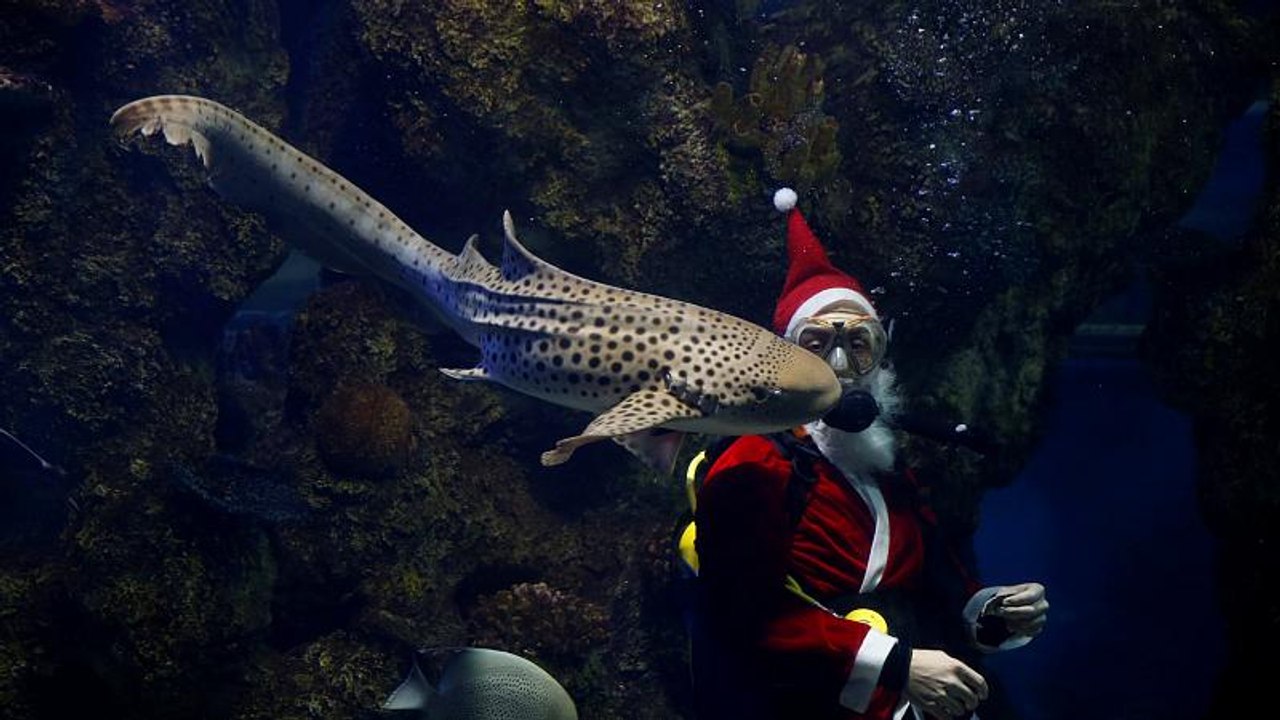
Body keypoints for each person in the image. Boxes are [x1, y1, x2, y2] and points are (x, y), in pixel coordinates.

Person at [686, 188, 1048, 720]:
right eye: (815, 343)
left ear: (882, 354)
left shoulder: (886, 466)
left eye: (859, 344)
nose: (839, 364)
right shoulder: (753, 460)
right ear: (780, 353)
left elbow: (936, 582)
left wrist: (989, 613)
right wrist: (897, 664)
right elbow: (741, 613)